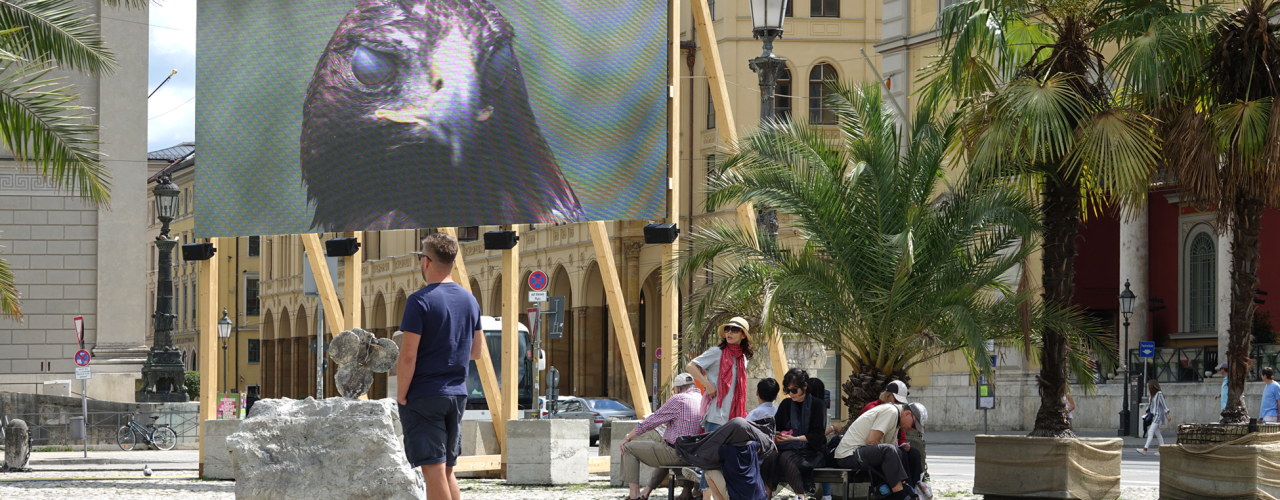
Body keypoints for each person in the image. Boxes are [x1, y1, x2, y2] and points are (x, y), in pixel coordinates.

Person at [395, 233, 484, 500]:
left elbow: (407, 356)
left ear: (426, 262)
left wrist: (401, 394)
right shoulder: (470, 300)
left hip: (425, 394)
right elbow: (476, 351)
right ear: (453, 263)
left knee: (432, 470)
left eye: (421, 256)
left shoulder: (419, 301)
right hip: (457, 394)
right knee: (446, 470)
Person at [687, 317, 753, 499]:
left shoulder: (743, 358)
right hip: (716, 416)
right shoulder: (717, 352)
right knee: (710, 462)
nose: (730, 332)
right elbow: (691, 366)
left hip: (734, 419)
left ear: (743, 335)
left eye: (735, 330)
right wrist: (707, 384)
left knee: (727, 463)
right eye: (728, 329)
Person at [620, 373, 705, 500]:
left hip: (677, 453)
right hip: (696, 453)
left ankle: (634, 495)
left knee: (628, 448)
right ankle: (647, 491)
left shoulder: (679, 399)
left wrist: (628, 437)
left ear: (677, 388)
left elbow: (652, 421)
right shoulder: (703, 399)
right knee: (664, 448)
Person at [831, 402, 924, 500]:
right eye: (914, 425)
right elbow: (872, 441)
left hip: (861, 453)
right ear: (907, 414)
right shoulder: (891, 411)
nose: (912, 429)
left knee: (899, 452)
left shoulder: (897, 420)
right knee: (890, 450)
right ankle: (900, 496)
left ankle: (903, 491)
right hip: (848, 455)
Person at [766, 369, 827, 500]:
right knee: (771, 456)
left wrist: (795, 438)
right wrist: (778, 436)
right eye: (788, 390)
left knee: (785, 457)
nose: (791, 394)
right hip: (788, 447)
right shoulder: (786, 404)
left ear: (804, 386)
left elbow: (818, 436)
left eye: (794, 390)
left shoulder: (818, 405)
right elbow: (776, 427)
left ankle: (800, 496)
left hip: (812, 451)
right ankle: (766, 495)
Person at [1138, 380, 1170, 455]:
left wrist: (1167, 414)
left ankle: (1145, 449)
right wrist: (1146, 410)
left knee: (1150, 431)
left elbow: (1164, 405)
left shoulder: (1159, 394)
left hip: (1158, 415)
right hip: (1153, 415)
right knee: (1158, 433)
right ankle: (1162, 450)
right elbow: (1150, 405)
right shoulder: (1152, 395)